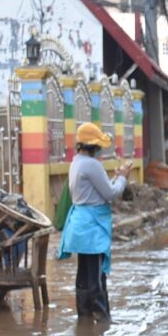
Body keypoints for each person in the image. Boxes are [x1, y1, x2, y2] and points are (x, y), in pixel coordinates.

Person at [58, 122, 132, 322]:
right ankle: (102, 322)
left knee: (83, 276)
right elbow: (111, 193)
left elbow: (96, 188)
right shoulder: (92, 164)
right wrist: (122, 178)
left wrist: (114, 179)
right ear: (94, 146)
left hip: (80, 226)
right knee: (96, 279)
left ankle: (84, 320)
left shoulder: (77, 162)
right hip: (91, 227)